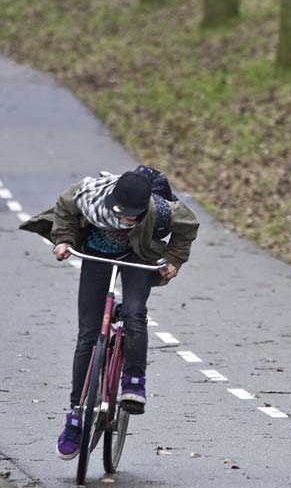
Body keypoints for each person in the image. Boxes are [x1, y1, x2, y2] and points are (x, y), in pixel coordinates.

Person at [20, 168, 199, 460]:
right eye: (123, 213)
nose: (128, 219)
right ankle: (75, 416)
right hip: (97, 252)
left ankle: (133, 381)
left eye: (135, 214)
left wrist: (174, 261)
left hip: (138, 255)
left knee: (134, 314)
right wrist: (63, 240)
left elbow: (188, 227)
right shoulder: (90, 195)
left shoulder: (163, 210)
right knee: (88, 334)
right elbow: (65, 208)